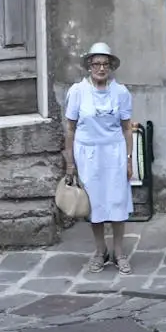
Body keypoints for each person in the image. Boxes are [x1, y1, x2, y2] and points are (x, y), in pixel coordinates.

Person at [64, 41, 134, 274]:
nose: (101, 68)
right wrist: (71, 164)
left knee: (117, 202)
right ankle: (100, 250)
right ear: (89, 66)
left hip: (114, 153)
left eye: (105, 64)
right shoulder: (78, 92)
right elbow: (71, 129)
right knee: (94, 205)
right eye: (96, 64)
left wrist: (128, 159)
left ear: (111, 66)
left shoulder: (121, 92)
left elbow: (126, 128)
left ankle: (119, 252)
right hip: (88, 154)